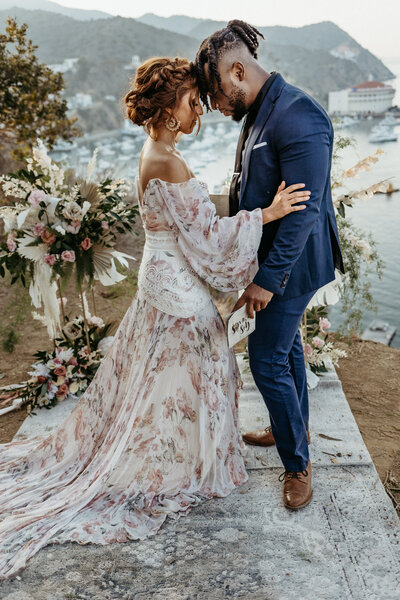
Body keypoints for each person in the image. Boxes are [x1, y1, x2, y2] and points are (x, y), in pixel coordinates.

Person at [0, 56, 310, 580]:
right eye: (193, 103)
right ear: (167, 109)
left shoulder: (156, 152)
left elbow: (190, 230)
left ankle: (182, 448)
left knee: (162, 378)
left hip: (158, 282)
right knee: (193, 371)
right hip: (178, 294)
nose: (200, 112)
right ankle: (180, 459)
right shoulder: (168, 161)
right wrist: (268, 215)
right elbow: (209, 241)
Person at [195, 20, 345, 511]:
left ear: (238, 70)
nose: (216, 107)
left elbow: (304, 215)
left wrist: (264, 280)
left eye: (216, 94)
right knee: (286, 351)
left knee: (264, 359)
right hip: (272, 264)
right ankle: (292, 427)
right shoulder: (260, 111)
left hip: (291, 268)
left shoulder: (300, 115)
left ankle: (298, 464)